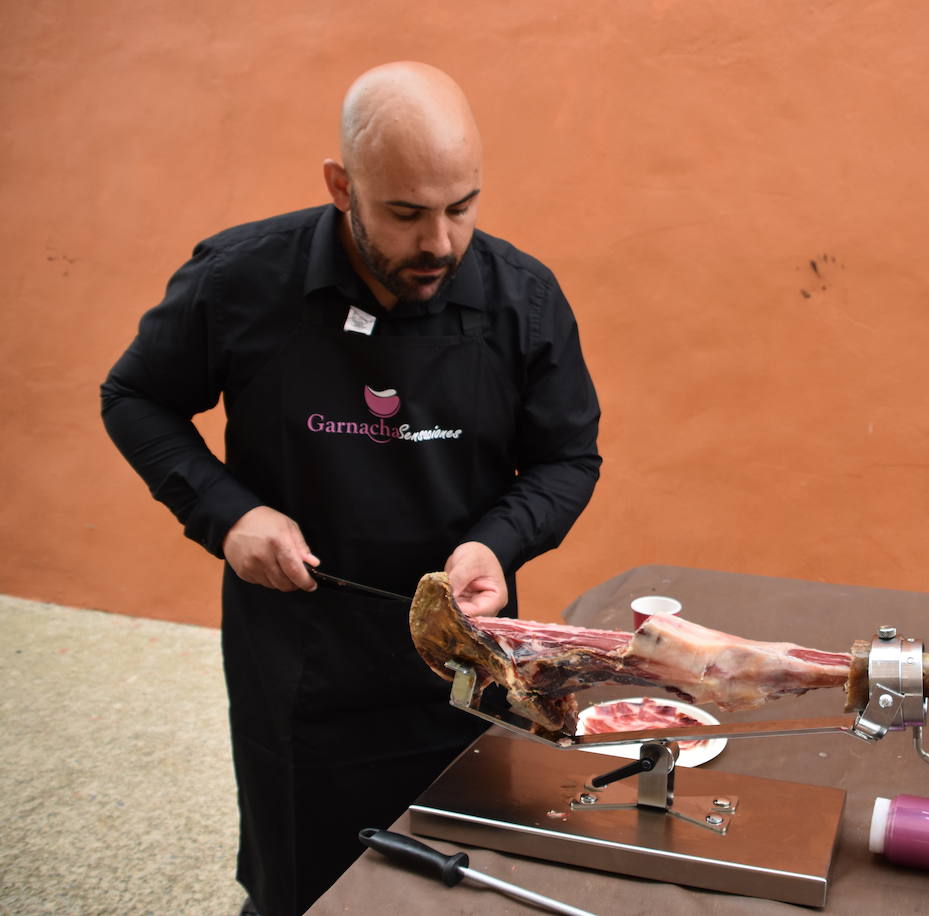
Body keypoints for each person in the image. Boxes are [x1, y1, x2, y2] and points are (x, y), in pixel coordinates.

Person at [101, 62, 601, 915]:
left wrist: (498, 542)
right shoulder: (239, 279)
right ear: (342, 186)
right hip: (297, 657)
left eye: (462, 206)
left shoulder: (524, 299)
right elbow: (136, 397)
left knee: (460, 878)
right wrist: (230, 516)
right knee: (302, 879)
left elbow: (568, 458)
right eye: (406, 213)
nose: (439, 242)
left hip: (464, 653)